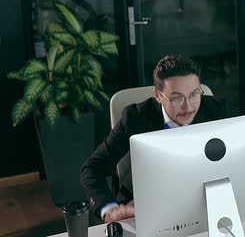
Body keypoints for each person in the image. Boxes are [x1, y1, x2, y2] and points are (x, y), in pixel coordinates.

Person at [80, 55, 225, 223]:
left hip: (202, 205)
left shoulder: (215, 111)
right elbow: (92, 168)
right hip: (144, 207)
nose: (188, 106)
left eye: (194, 94)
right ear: (158, 95)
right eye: (177, 98)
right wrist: (109, 209)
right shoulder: (135, 117)